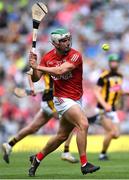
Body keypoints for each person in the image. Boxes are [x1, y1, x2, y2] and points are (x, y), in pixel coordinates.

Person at [28, 28, 100, 176]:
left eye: (68, 39)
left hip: (76, 99)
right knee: (83, 124)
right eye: (63, 40)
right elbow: (36, 79)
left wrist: (37, 66)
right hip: (61, 99)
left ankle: (37, 158)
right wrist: (34, 66)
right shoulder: (47, 58)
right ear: (55, 43)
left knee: (61, 136)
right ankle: (84, 164)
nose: (67, 42)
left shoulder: (75, 55)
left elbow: (61, 71)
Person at [2, 72, 79, 164]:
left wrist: (33, 88)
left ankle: (9, 144)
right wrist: (32, 87)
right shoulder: (49, 62)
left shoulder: (51, 62)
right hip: (51, 101)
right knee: (71, 121)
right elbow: (31, 73)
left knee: (33, 127)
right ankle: (66, 152)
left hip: (48, 101)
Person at [90, 54, 129, 160]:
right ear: (109, 63)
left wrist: (125, 92)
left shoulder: (120, 76)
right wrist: (105, 105)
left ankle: (95, 120)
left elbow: (116, 89)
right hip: (102, 109)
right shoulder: (104, 76)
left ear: (118, 63)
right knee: (111, 132)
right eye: (112, 62)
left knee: (116, 134)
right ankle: (102, 154)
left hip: (112, 110)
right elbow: (96, 91)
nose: (114, 63)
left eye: (116, 61)